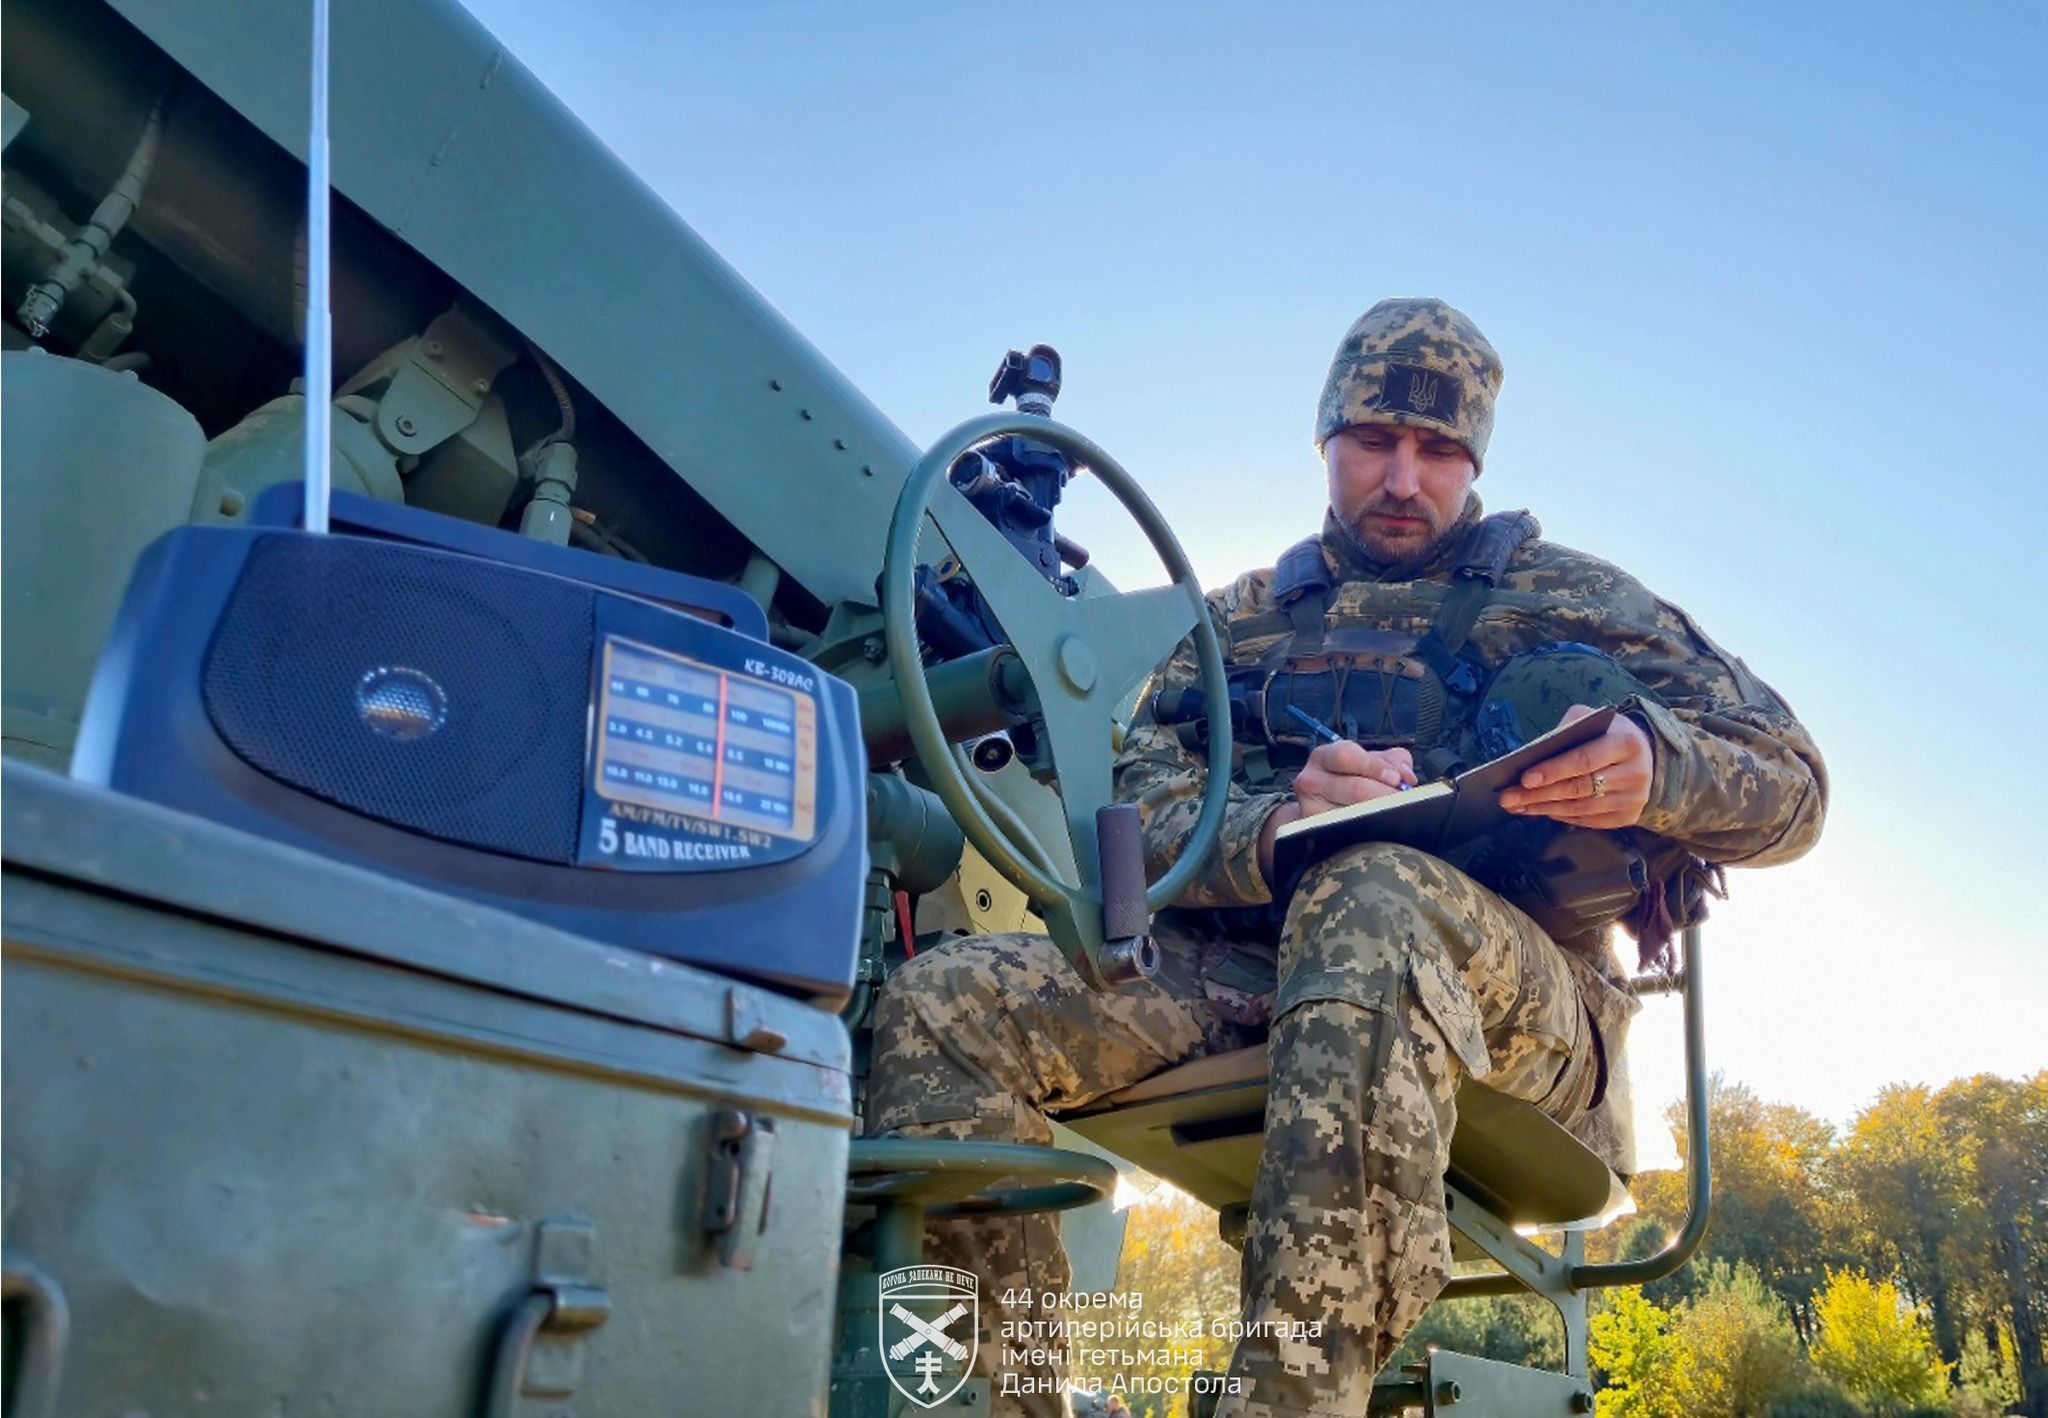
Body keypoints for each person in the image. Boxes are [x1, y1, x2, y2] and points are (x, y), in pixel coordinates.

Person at [865, 298, 1827, 1418]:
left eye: (1437, 451)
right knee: (944, 1004)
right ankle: (1002, 1398)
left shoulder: (1575, 598)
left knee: (1366, 897)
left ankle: (1288, 1398)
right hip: (1250, 974)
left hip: (1526, 1012)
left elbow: (1793, 784)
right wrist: (1266, 825)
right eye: (1373, 442)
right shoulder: (1236, 619)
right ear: (1325, 440)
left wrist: (1658, 767)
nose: (1402, 478)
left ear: (1473, 458)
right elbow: (1127, 800)